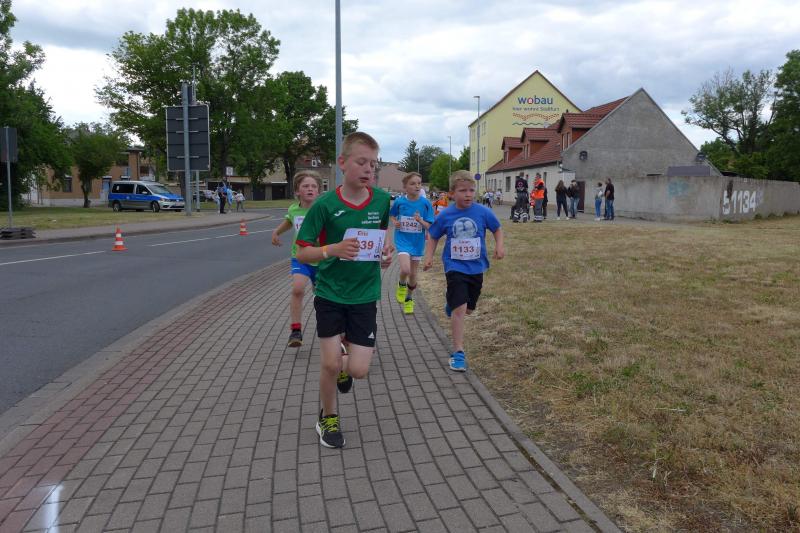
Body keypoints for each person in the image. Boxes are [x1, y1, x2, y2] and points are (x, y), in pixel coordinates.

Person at [295, 132, 394, 449]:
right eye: (361, 162)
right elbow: (302, 252)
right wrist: (332, 249)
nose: (368, 169)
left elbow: (380, 236)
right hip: (330, 294)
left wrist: (385, 253)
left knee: (359, 370)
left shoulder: (381, 200)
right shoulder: (324, 205)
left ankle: (343, 366)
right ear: (342, 163)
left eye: (373, 164)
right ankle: (328, 417)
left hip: (364, 295)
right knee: (330, 364)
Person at [423, 170, 505, 372]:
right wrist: (429, 256)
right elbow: (433, 235)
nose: (468, 194)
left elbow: (497, 228)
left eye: (471, 190)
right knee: (460, 308)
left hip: (476, 267)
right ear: (452, 193)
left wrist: (499, 245)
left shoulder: (482, 212)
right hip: (455, 266)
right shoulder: (446, 214)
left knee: (468, 309)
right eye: (462, 191)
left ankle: (452, 305)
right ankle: (458, 352)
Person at [271, 171, 322, 347]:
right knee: (298, 289)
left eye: (314, 186)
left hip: (321, 259)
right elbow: (289, 221)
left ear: (318, 191)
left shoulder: (323, 208)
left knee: (322, 297)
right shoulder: (294, 209)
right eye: (305, 186)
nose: (310, 189)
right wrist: (277, 232)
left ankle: (329, 327)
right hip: (300, 257)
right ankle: (295, 331)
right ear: (297, 191)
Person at [390, 172, 434, 314]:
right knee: (405, 269)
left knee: (413, 274)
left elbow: (430, 226)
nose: (417, 186)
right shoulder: (399, 202)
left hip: (417, 242)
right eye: (413, 183)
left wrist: (420, 220)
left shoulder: (426, 203)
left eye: (419, 183)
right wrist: (395, 222)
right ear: (405, 187)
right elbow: (392, 215)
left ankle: (409, 298)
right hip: (402, 239)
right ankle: (402, 284)